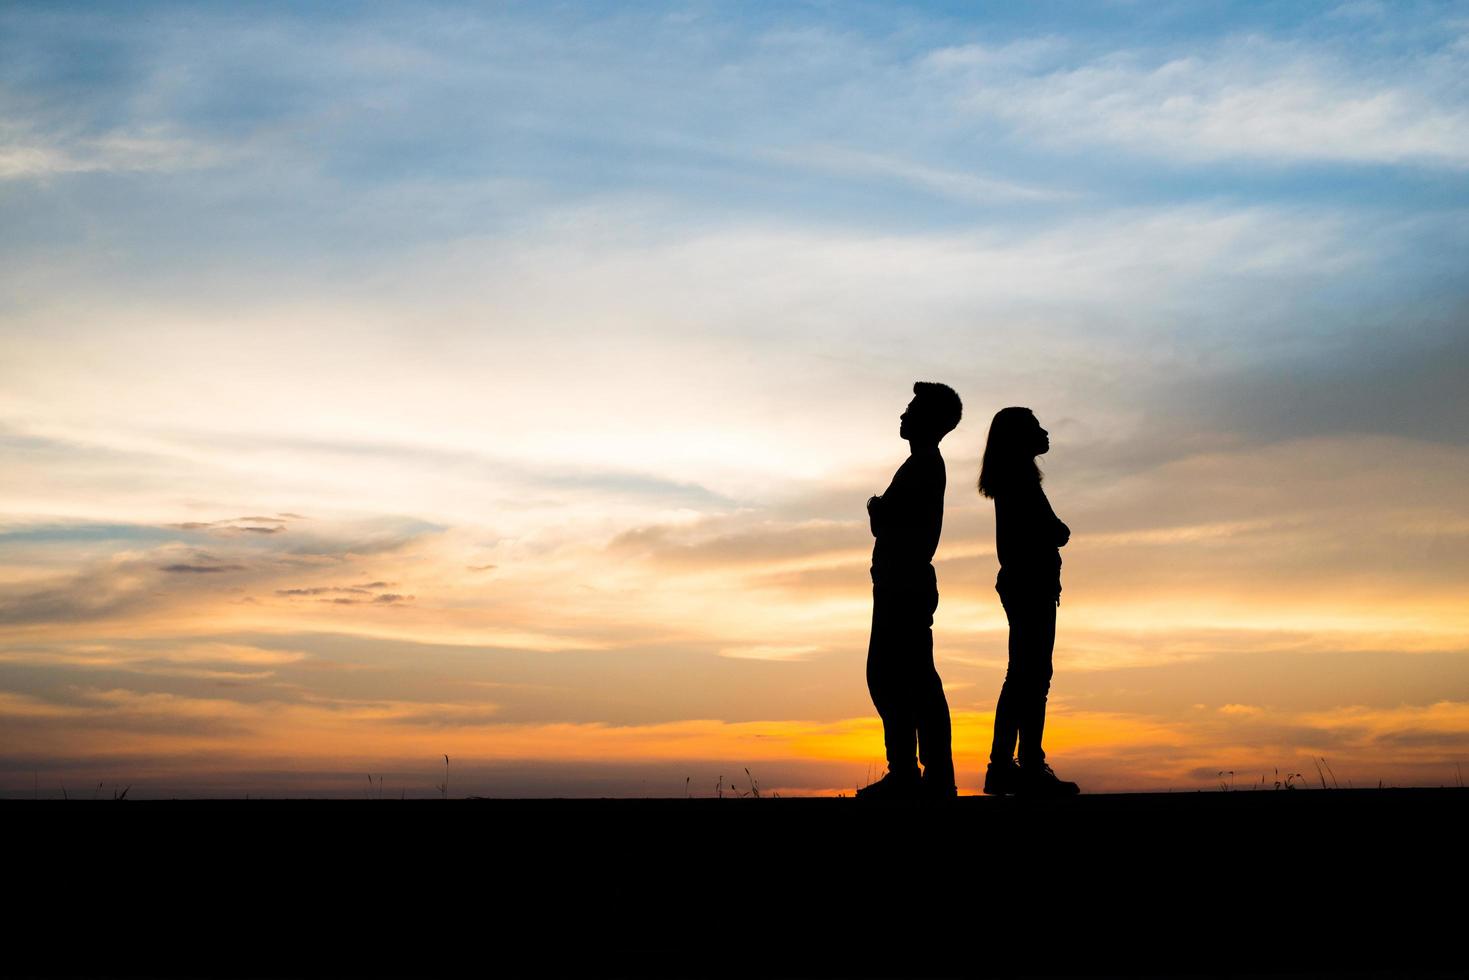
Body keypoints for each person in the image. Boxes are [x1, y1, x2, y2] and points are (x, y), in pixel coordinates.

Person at [856, 382, 962, 800]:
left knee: (897, 678)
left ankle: (914, 774)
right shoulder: (919, 464)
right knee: (902, 679)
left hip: (905, 583)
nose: (903, 415)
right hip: (900, 582)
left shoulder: (923, 466)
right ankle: (919, 773)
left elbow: (886, 520)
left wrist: (876, 506)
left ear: (931, 420)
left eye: (911, 409)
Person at [978, 407, 1079, 796]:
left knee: (1025, 676)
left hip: (1026, 585)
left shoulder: (1015, 480)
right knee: (1031, 677)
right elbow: (1054, 530)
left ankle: (1009, 765)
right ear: (1020, 437)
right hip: (1029, 585)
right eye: (1036, 426)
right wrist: (1058, 530)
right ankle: (1024, 766)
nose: (1045, 431)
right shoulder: (1020, 481)